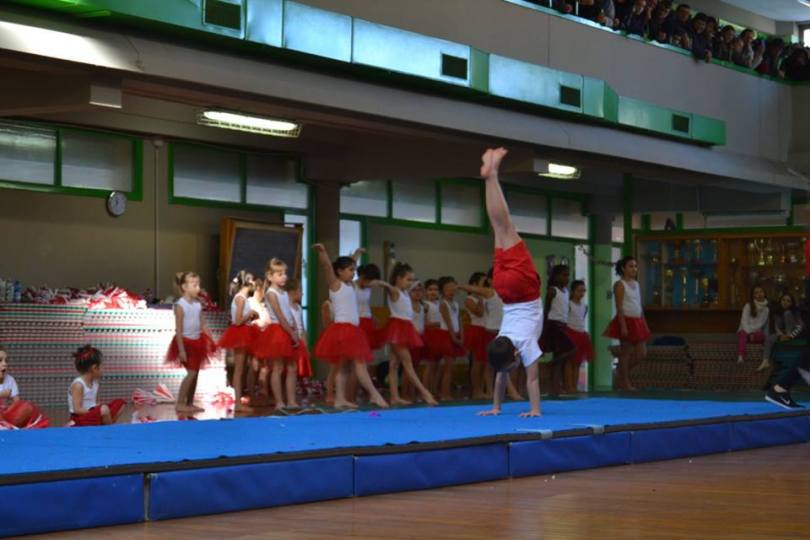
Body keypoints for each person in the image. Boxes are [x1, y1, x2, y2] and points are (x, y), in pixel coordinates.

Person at [478, 147, 544, 418]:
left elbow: (532, 380)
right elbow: (500, 375)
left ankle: (492, 175)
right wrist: (495, 405)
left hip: (523, 289)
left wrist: (535, 409)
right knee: (498, 227)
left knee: (507, 226)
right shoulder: (501, 341)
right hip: (503, 288)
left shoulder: (523, 345)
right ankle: (490, 177)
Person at [313, 244, 389, 409]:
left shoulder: (350, 285)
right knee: (359, 364)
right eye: (349, 270)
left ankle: (340, 398)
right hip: (343, 329)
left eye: (354, 270)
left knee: (344, 366)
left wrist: (356, 254)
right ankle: (374, 395)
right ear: (339, 271)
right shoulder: (335, 284)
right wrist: (323, 252)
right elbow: (327, 266)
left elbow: (350, 263)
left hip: (352, 329)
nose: (353, 273)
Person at [378, 263, 438, 406]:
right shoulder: (396, 291)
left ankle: (394, 397)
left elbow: (415, 284)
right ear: (398, 279)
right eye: (408, 279)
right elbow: (388, 287)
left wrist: (401, 269)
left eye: (412, 280)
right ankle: (426, 394)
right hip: (397, 330)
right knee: (408, 364)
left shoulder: (405, 292)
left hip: (403, 329)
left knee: (394, 365)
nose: (411, 283)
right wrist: (382, 282)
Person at [166, 271, 217, 413]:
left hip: (197, 342)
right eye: (194, 285)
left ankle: (189, 402)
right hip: (185, 343)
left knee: (195, 373)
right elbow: (179, 330)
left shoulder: (197, 304)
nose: (198, 288)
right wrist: (181, 350)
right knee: (192, 373)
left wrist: (211, 339)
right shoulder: (180, 305)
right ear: (184, 287)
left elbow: (203, 324)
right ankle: (180, 403)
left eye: (198, 285)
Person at [254, 258, 299, 411]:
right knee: (278, 367)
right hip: (278, 331)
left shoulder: (285, 293)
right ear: (270, 276)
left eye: (285, 273)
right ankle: (279, 401)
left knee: (292, 367)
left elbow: (289, 313)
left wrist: (295, 329)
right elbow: (279, 315)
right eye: (279, 274)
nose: (284, 277)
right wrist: (291, 332)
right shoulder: (271, 293)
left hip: (288, 329)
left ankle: (291, 400)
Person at [603, 256, 651, 391]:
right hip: (626, 320)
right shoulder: (620, 284)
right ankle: (625, 382)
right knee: (626, 352)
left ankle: (620, 372)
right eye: (631, 266)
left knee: (642, 353)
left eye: (635, 266)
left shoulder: (637, 284)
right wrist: (623, 325)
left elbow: (639, 305)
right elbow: (619, 306)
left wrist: (645, 324)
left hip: (638, 320)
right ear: (623, 268)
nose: (634, 269)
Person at [218, 270, 258, 412]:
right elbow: (239, 320)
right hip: (240, 333)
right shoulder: (240, 298)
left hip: (244, 331)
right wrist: (250, 314)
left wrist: (251, 316)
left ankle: (240, 400)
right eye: (254, 281)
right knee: (239, 369)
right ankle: (238, 403)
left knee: (242, 368)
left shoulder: (243, 298)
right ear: (249, 282)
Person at [540, 265, 576, 395]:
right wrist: (543, 329)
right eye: (564, 275)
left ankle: (555, 387)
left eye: (568, 275)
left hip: (563, 325)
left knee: (559, 357)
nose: (567, 278)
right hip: (553, 325)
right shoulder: (552, 290)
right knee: (571, 349)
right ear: (555, 276)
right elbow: (546, 310)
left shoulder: (566, 291)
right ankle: (548, 366)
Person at [69, 345, 126, 426]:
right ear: (95, 368)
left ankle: (105, 423)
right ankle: (110, 428)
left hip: (93, 414)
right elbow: (77, 410)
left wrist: (99, 411)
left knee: (120, 403)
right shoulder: (78, 385)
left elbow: (95, 403)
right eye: (102, 366)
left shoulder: (95, 383)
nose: (104, 368)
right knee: (104, 409)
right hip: (80, 418)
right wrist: (97, 412)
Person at [0, 345, 48, 429]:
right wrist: (1, 394)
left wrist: (14, 412)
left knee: (27, 407)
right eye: (0, 361)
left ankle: (8, 426)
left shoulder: (10, 379)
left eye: (6, 361)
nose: (4, 364)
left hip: (5, 416)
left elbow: (17, 403)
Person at [758, 293, 804, 373]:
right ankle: (765, 361)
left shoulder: (794, 312)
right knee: (769, 339)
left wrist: (790, 336)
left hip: (793, 333)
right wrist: (781, 335)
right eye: (783, 300)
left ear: (792, 303)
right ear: (780, 301)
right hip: (782, 333)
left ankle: (787, 335)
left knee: (787, 313)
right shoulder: (777, 312)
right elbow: (776, 327)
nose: (785, 302)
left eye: (788, 301)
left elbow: (800, 327)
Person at [437, 276, 465, 401]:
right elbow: (448, 323)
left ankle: (447, 393)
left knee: (452, 367)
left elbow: (459, 321)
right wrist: (454, 337)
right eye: (448, 289)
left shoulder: (456, 304)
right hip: (446, 336)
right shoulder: (443, 304)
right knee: (448, 367)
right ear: (442, 291)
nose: (451, 291)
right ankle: (445, 394)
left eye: (453, 288)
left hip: (456, 334)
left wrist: (462, 336)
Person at [462, 272, 490, 400]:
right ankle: (476, 390)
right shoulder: (469, 300)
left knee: (485, 362)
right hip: (476, 329)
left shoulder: (486, 298)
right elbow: (479, 313)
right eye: (482, 283)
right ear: (474, 285)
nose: (485, 285)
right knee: (476, 362)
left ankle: (483, 389)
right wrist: (480, 297)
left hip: (486, 329)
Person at [565, 280, 593, 393]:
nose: (581, 293)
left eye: (583, 291)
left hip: (581, 335)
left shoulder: (584, 306)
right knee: (569, 362)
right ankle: (568, 386)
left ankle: (575, 386)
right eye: (579, 291)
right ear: (572, 291)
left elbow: (582, 319)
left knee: (577, 362)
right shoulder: (568, 304)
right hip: (570, 333)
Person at [286, 278, 313, 380]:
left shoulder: (299, 307)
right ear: (292, 292)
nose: (302, 294)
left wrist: (305, 344)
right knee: (290, 367)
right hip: (291, 340)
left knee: (300, 366)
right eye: (300, 290)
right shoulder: (286, 307)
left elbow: (301, 326)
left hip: (300, 340)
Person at [736, 285, 769, 364]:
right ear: (753, 295)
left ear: (764, 293)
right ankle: (741, 356)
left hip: (756, 331)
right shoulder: (748, 305)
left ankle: (752, 339)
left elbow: (761, 323)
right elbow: (744, 321)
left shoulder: (766, 309)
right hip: (745, 330)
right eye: (756, 292)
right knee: (742, 334)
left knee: (763, 336)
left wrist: (753, 333)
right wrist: (749, 332)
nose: (759, 294)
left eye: (761, 291)